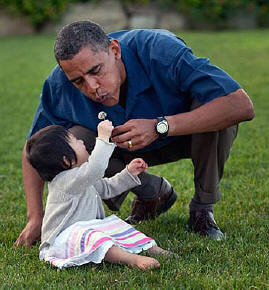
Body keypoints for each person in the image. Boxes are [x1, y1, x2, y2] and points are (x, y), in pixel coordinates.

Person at [15, 20, 254, 247]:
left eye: (96, 70)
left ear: (114, 50)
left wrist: (161, 126)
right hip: (122, 152)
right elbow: (33, 149)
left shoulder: (160, 49)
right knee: (74, 139)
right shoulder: (59, 85)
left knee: (213, 103)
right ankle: (153, 193)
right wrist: (35, 216)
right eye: (78, 81)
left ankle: (202, 208)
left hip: (184, 137)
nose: (92, 87)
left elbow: (240, 105)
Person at [26, 120, 170, 270]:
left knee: (117, 225)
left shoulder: (81, 177)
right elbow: (96, 167)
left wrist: (128, 174)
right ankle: (131, 259)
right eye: (75, 141)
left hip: (88, 232)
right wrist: (103, 138)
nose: (81, 141)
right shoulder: (65, 181)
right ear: (67, 160)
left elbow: (107, 188)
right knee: (92, 235)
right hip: (64, 240)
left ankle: (152, 249)